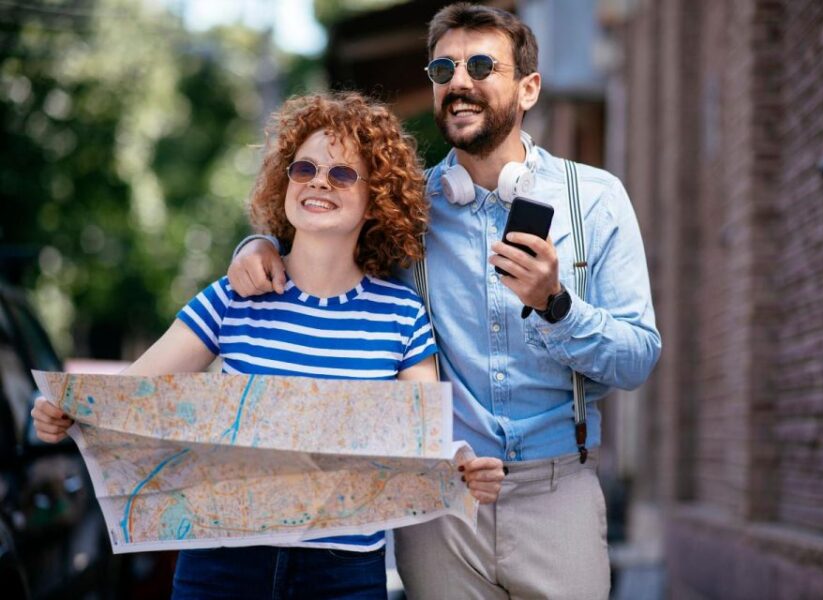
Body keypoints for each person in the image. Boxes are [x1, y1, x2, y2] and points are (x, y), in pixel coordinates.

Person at [228, 4, 662, 599]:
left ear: (529, 88)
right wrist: (259, 242)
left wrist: (557, 304)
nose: (459, 82)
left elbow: (638, 358)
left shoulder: (596, 201)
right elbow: (318, 242)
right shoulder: (406, 207)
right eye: (443, 69)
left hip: (559, 492)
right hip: (440, 501)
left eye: (482, 65)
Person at [31, 91, 505, 600]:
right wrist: (66, 409)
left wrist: (464, 466)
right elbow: (131, 394)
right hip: (220, 564)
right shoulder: (234, 295)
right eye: (304, 169)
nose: (320, 181)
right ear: (285, 183)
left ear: (377, 200)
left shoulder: (401, 316)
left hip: (342, 574)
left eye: (343, 174)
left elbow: (425, 445)